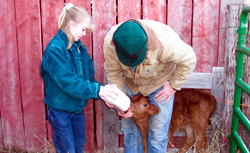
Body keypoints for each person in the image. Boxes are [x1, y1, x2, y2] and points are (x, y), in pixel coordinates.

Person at [103, 19, 197, 153]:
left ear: (146, 47)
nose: (130, 63)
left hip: (159, 84)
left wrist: (173, 86)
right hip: (131, 84)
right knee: (130, 130)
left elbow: (189, 59)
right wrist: (120, 102)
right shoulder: (111, 41)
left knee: (158, 134)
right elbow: (113, 71)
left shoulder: (165, 42)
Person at [40, 3, 116, 153]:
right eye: (83, 29)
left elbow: (89, 80)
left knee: (78, 147)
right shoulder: (55, 49)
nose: (84, 34)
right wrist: (98, 90)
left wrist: (105, 93)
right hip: (60, 111)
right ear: (71, 25)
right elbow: (68, 82)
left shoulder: (81, 49)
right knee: (67, 149)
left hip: (77, 109)